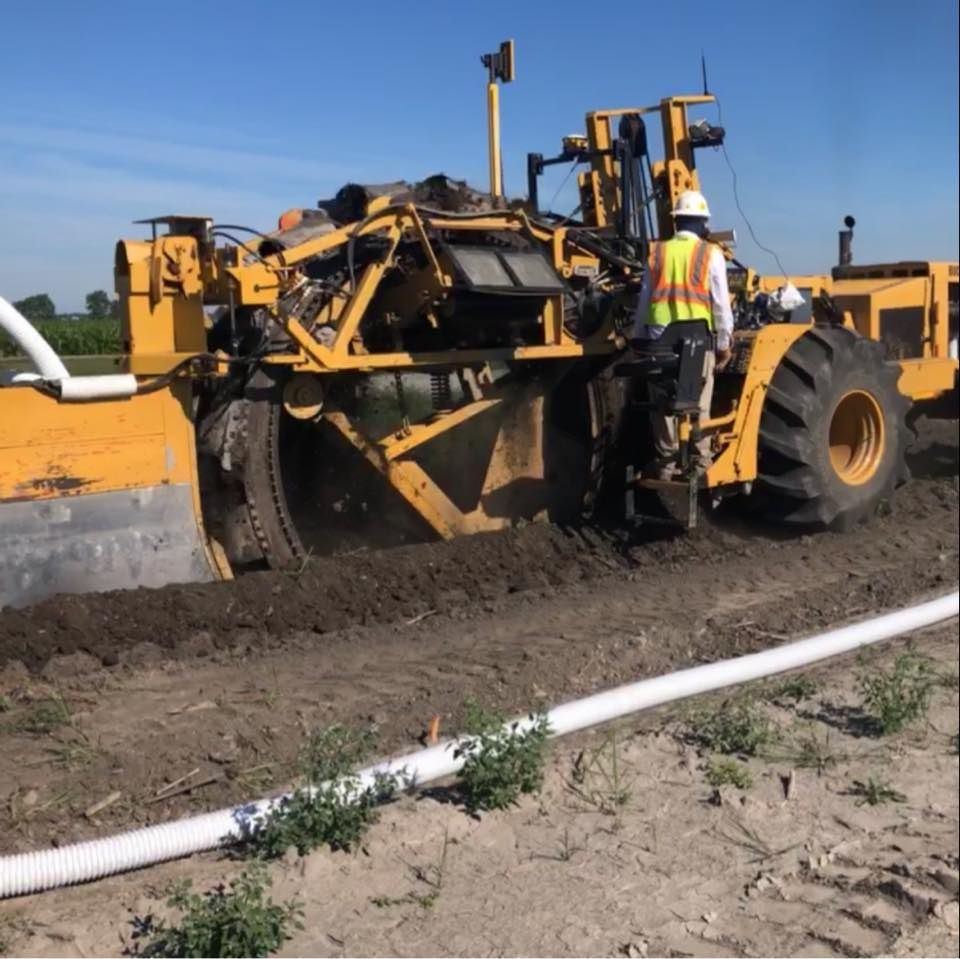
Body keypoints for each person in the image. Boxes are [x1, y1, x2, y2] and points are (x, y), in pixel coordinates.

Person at [632, 189, 734, 479]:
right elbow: (721, 306)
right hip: (697, 346)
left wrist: (638, 339)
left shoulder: (657, 253)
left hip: (659, 344)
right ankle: (701, 464)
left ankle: (666, 465)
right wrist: (724, 344)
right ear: (704, 224)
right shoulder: (711, 254)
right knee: (698, 404)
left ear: (675, 222)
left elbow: (644, 302)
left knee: (663, 405)